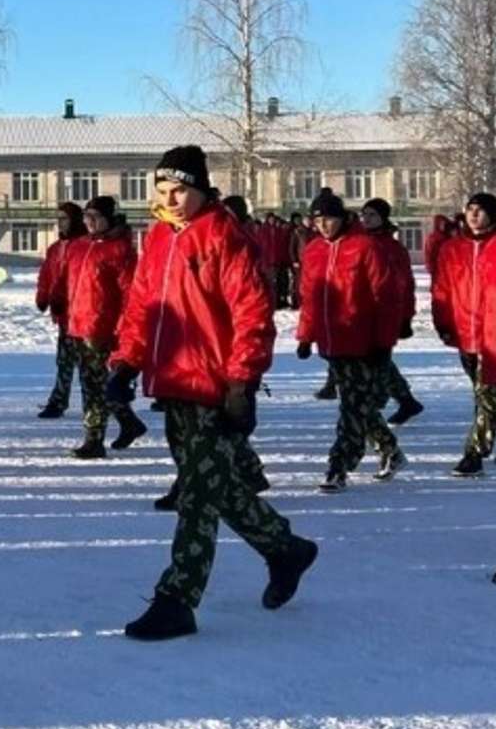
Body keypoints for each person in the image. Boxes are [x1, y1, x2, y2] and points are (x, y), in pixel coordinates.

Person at [106, 145, 317, 641]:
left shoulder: (225, 237)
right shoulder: (158, 238)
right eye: (162, 190)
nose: (171, 198)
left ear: (202, 189)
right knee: (216, 488)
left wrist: (242, 382)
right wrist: (125, 363)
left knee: (198, 498)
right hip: (173, 383)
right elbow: (142, 308)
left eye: (180, 189)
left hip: (216, 388)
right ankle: (286, 549)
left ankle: (177, 599)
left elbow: (252, 315)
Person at [297, 191, 404, 491]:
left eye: (329, 219)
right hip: (332, 342)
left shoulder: (365, 247)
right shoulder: (314, 250)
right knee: (357, 406)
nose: (323, 225)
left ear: (343, 218)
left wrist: (383, 342)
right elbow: (310, 297)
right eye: (317, 220)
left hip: (364, 342)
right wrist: (305, 336)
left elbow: (386, 298)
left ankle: (339, 465)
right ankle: (390, 449)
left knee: (352, 409)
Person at [65, 194, 146, 459]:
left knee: (97, 387)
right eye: (86, 216)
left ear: (109, 219)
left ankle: (94, 438)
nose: (89, 222)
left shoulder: (120, 250)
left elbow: (129, 295)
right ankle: (128, 422)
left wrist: (120, 331)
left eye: (96, 217)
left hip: (104, 329)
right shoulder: (78, 246)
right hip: (79, 324)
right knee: (92, 384)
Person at [432, 193, 496, 476]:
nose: (473, 215)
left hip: (493, 336)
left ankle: (474, 454)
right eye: (470, 210)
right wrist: (442, 323)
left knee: (487, 395)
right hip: (465, 333)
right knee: (481, 395)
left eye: (480, 211)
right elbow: (442, 291)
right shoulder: (452, 249)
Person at [359, 198, 423, 425]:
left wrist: (406, 317)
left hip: (386, 316)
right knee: (376, 363)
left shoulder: (393, 248)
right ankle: (406, 401)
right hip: (360, 316)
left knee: (378, 365)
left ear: (383, 218)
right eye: (364, 214)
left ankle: (370, 421)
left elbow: (405, 284)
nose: (366, 219)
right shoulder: (356, 243)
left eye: (372, 215)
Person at [35, 202, 87, 419]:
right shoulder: (56, 248)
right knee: (64, 361)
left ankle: (103, 404)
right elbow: (47, 276)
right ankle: (58, 401)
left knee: (88, 366)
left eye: (64, 218)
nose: (60, 223)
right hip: (64, 316)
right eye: (58, 219)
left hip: (84, 315)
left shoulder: (84, 245)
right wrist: (43, 297)